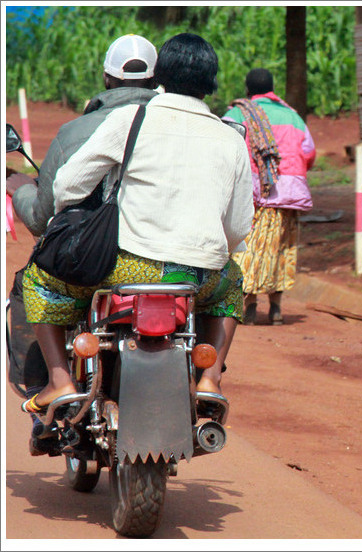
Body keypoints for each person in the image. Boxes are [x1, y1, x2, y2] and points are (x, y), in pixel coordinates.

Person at [20, 32, 253, 415]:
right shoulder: (229, 137)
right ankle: (209, 379)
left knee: (38, 281)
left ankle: (60, 382)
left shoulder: (132, 119)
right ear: (212, 83)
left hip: (122, 267)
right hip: (194, 277)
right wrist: (207, 254)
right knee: (231, 288)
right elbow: (239, 226)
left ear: (159, 74)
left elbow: (68, 186)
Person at [6, 33, 159, 455]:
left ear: (107, 78)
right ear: (155, 79)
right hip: (171, 266)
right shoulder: (179, 128)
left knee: (33, 286)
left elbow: (42, 215)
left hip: (91, 269)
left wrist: (20, 189)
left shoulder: (77, 131)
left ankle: (53, 385)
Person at [223, 68, 316, 325]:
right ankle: (276, 308)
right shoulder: (293, 117)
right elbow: (308, 152)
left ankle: (250, 306)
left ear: (247, 90)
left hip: (252, 197)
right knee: (281, 250)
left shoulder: (236, 115)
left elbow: (222, 150)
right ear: (272, 88)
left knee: (249, 249)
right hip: (287, 196)